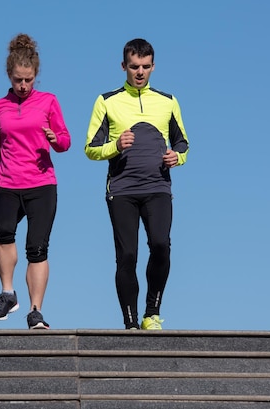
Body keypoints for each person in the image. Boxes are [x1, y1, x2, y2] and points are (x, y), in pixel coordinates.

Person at [84, 38, 189, 330]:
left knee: (160, 245)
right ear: (123, 67)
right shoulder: (106, 101)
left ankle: (151, 313)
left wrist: (176, 157)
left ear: (153, 66)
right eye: (134, 67)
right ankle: (130, 322)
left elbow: (183, 143)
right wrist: (115, 145)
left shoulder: (168, 101)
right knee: (127, 254)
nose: (139, 72)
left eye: (145, 67)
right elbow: (91, 148)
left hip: (157, 187)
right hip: (122, 190)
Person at [0, 33, 71, 329]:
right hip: (7, 184)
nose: (23, 86)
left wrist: (56, 140)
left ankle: (35, 311)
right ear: (9, 75)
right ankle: (7, 293)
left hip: (41, 184)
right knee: (3, 234)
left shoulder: (48, 101)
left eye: (28, 80)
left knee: (37, 248)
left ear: (35, 76)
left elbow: (66, 140)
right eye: (18, 80)